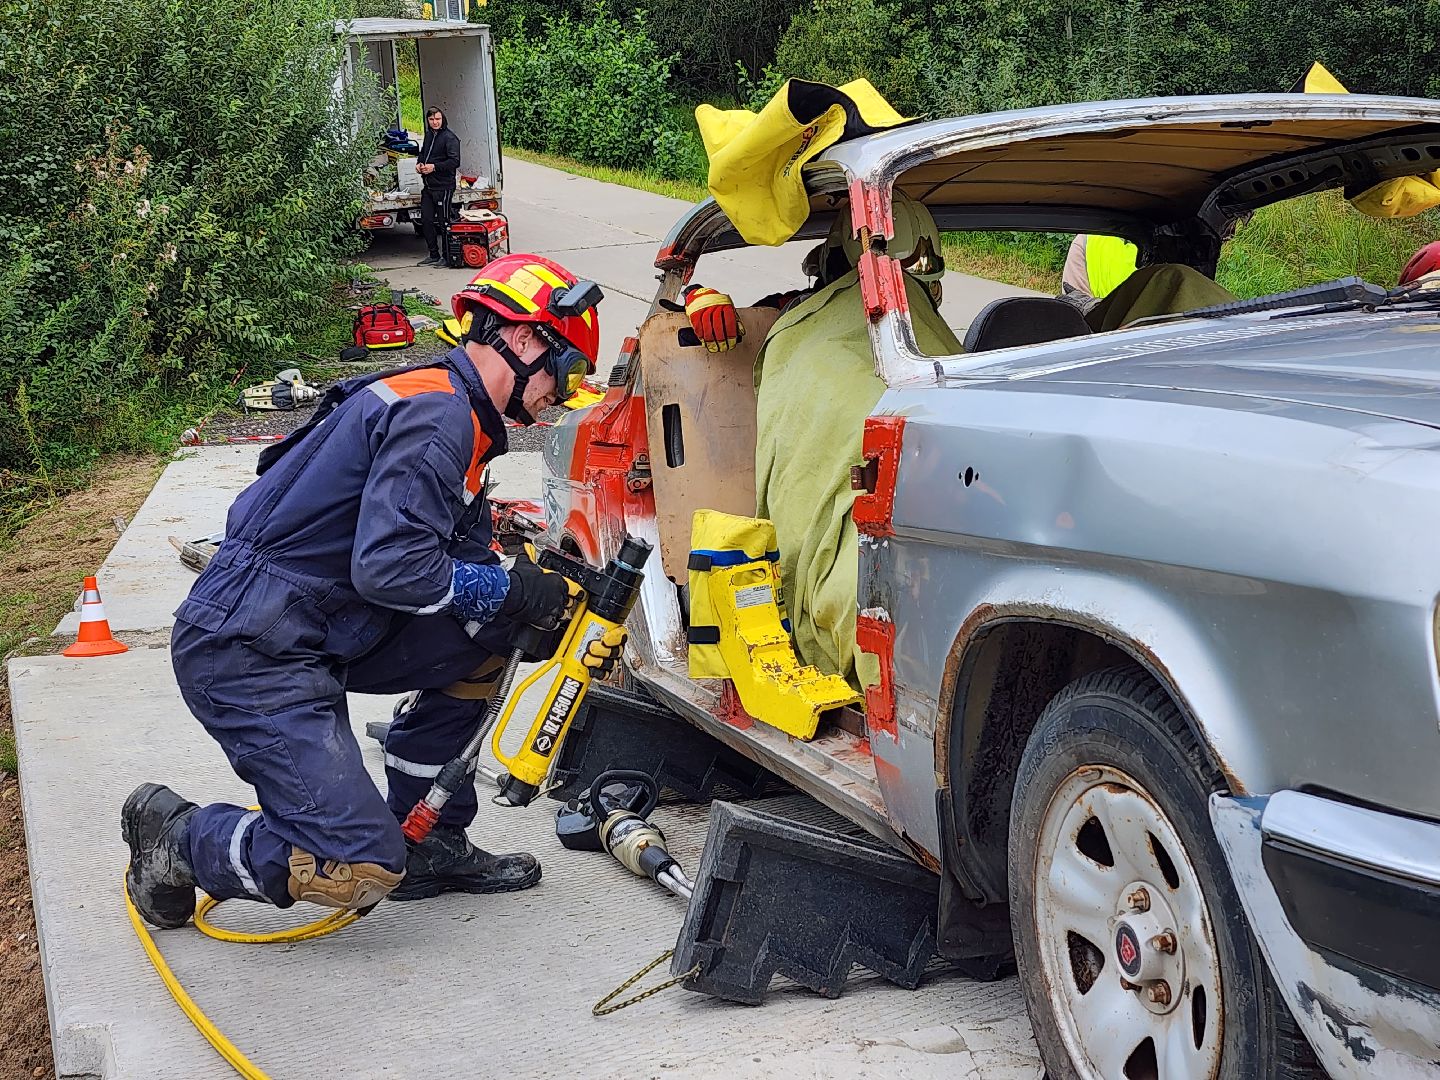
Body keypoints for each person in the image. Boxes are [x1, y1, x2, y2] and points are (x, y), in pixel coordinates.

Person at [122, 254, 619, 929]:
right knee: (357, 865)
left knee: (493, 632)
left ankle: (433, 835)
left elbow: (422, 554)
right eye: (567, 372)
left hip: (315, 625)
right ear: (527, 338)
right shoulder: (440, 415)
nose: (561, 393)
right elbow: (392, 569)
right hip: (249, 651)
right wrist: (504, 587)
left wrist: (526, 582)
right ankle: (178, 837)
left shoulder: (444, 405)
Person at [416, 106, 461, 267]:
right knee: (426, 220)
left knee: (444, 222)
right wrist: (419, 163)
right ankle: (433, 254)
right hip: (428, 185)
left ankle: (447, 256)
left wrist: (434, 167)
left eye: (437, 119)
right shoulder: (429, 135)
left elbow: (454, 162)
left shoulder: (450, 138)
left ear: (443, 120)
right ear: (428, 120)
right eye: (432, 119)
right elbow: (423, 153)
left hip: (444, 186)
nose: (435, 122)